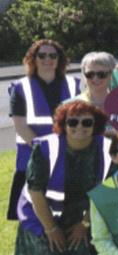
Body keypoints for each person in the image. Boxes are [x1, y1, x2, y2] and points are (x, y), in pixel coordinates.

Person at [10, 101, 113, 255]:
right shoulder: (46, 147)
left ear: (95, 125)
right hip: (40, 215)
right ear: (63, 125)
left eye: (87, 122)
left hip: (79, 217)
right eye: (72, 122)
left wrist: (84, 224)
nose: (79, 127)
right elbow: (35, 191)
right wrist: (51, 228)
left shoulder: (105, 149)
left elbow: (105, 192)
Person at [8, 39, 80, 220]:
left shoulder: (74, 84)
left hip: (67, 159)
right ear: (33, 59)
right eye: (42, 55)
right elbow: (21, 126)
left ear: (59, 59)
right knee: (31, 218)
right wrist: (46, 152)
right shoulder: (20, 87)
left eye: (53, 55)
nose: (47, 59)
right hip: (32, 159)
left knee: (67, 215)